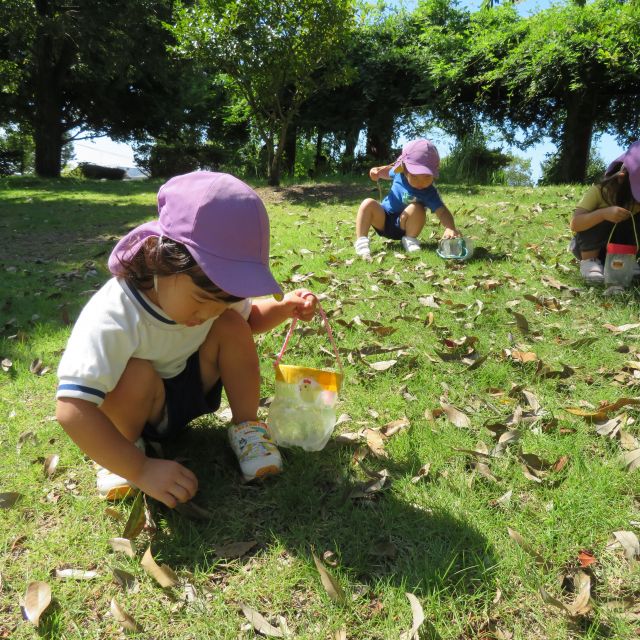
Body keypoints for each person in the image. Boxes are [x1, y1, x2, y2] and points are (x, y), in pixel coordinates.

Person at [55, 171, 317, 509]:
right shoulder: (115, 311)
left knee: (231, 325)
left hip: (189, 390)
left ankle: (248, 427)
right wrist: (141, 470)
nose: (208, 312)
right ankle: (122, 451)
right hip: (136, 410)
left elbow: (248, 318)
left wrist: (284, 308)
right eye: (200, 301)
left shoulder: (213, 289)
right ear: (160, 257)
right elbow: (71, 408)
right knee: (134, 373)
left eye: (223, 299)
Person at [354, 139, 460, 258]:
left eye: (427, 177)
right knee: (367, 203)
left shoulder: (429, 192)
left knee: (418, 208)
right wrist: (377, 172)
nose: (421, 183)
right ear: (404, 169)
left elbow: (442, 211)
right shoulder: (399, 172)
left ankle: (410, 239)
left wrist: (450, 227)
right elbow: (388, 171)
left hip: (405, 225)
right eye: (415, 176)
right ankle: (362, 242)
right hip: (383, 219)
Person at [571, 141, 640, 284]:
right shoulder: (599, 192)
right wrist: (603, 214)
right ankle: (589, 262)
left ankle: (630, 261)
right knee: (602, 216)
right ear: (621, 178)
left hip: (622, 252)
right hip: (591, 248)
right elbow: (576, 224)